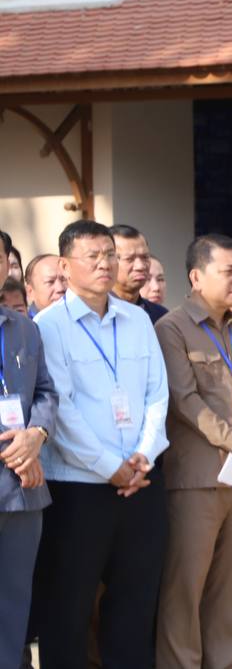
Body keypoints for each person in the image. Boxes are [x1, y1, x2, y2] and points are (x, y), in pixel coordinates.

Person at [34, 219, 170, 669]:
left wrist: (144, 455)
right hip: (78, 489)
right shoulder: (48, 326)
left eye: (109, 255)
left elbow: (157, 394)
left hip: (140, 482)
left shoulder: (138, 319)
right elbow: (60, 408)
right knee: (68, 607)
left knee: (135, 604)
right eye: (92, 256)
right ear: (65, 266)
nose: (104, 264)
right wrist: (109, 465)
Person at [154, 234, 232, 669]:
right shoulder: (171, 328)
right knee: (185, 589)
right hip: (198, 480)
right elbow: (185, 401)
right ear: (196, 276)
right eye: (229, 271)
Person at [0, 230, 57, 669]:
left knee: (13, 607)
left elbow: (45, 391)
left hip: (23, 491)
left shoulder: (24, 327)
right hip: (19, 466)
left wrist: (36, 434)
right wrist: (16, 451)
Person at [109, 223, 169, 324]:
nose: (140, 266)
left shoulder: (161, 317)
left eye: (145, 257)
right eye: (130, 259)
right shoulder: (94, 313)